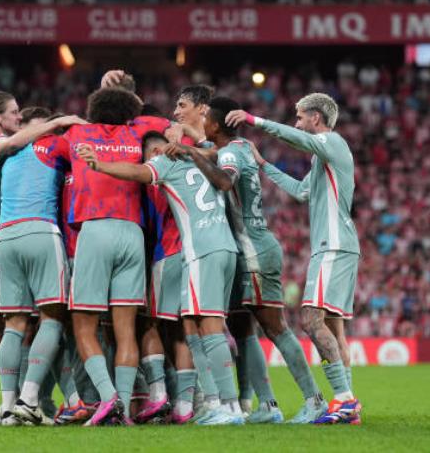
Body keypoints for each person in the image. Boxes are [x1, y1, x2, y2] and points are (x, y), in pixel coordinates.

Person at [169, 96, 326, 424]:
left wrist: (191, 151)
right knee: (245, 327)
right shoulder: (238, 145)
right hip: (248, 249)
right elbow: (213, 151)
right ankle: (268, 405)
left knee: (274, 327)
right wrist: (192, 141)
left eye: (208, 120)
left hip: (253, 250)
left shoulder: (230, 153)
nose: (205, 125)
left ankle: (314, 400)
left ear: (216, 122)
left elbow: (224, 179)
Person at [77, 131, 245, 426]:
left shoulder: (166, 163)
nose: (153, 156)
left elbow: (136, 172)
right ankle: (214, 403)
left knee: (209, 327)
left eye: (155, 151)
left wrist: (100, 164)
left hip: (200, 250)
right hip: (226, 247)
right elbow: (219, 163)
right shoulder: (200, 162)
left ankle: (229, 407)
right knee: (193, 327)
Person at [226, 92, 362, 425]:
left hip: (333, 245)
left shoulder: (333, 141)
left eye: (300, 116)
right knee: (332, 327)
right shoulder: (323, 158)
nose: (297, 122)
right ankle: (346, 404)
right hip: (337, 245)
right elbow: (302, 192)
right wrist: (264, 166)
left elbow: (298, 139)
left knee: (311, 321)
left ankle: (344, 399)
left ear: (316, 118)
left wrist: (254, 120)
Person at [61, 87, 174, 426]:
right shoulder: (137, 132)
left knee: (84, 324)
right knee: (126, 329)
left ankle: (108, 398)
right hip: (132, 233)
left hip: (95, 230)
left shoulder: (77, 132)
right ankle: (123, 407)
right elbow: (166, 123)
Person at [0, 111, 87, 426]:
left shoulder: (7, 153)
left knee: (14, 324)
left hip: (5, 237)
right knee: (53, 316)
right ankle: (29, 399)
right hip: (40, 231)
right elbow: (89, 145)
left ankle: (6, 407)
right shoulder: (52, 144)